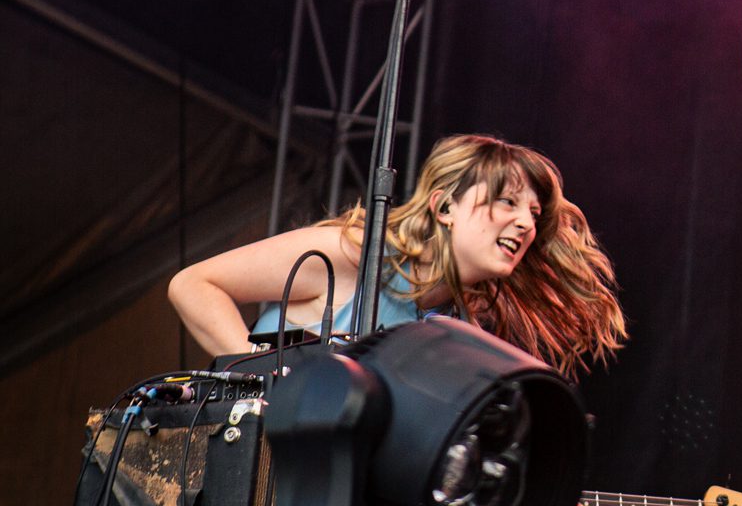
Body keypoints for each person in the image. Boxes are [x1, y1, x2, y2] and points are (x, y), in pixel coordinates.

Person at [168, 133, 627, 380]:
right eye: (507, 202)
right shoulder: (352, 255)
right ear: (445, 206)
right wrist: (262, 382)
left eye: (533, 212)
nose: (526, 224)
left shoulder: (462, 327)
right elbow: (192, 285)